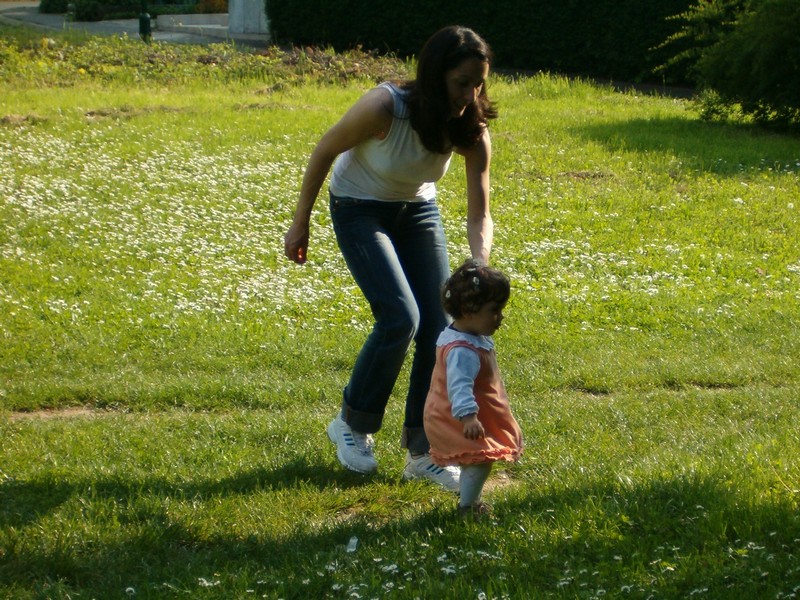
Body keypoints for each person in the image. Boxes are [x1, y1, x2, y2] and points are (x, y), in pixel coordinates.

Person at [283, 25, 498, 491]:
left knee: (440, 326)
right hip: (358, 206)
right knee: (401, 317)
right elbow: (324, 150)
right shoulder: (386, 107)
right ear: (436, 75)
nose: (470, 94)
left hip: (417, 209)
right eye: (462, 82)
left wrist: (478, 262)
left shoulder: (470, 126)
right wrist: (300, 222)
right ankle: (352, 423)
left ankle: (423, 452)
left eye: (478, 83)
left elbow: (479, 211)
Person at [423, 259, 523, 518]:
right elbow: (459, 386)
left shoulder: (464, 336)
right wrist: (468, 417)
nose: (500, 317)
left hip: (462, 414)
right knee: (479, 462)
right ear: (468, 312)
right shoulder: (462, 350)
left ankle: (471, 502)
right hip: (457, 417)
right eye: (494, 310)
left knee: (478, 461)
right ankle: (467, 508)